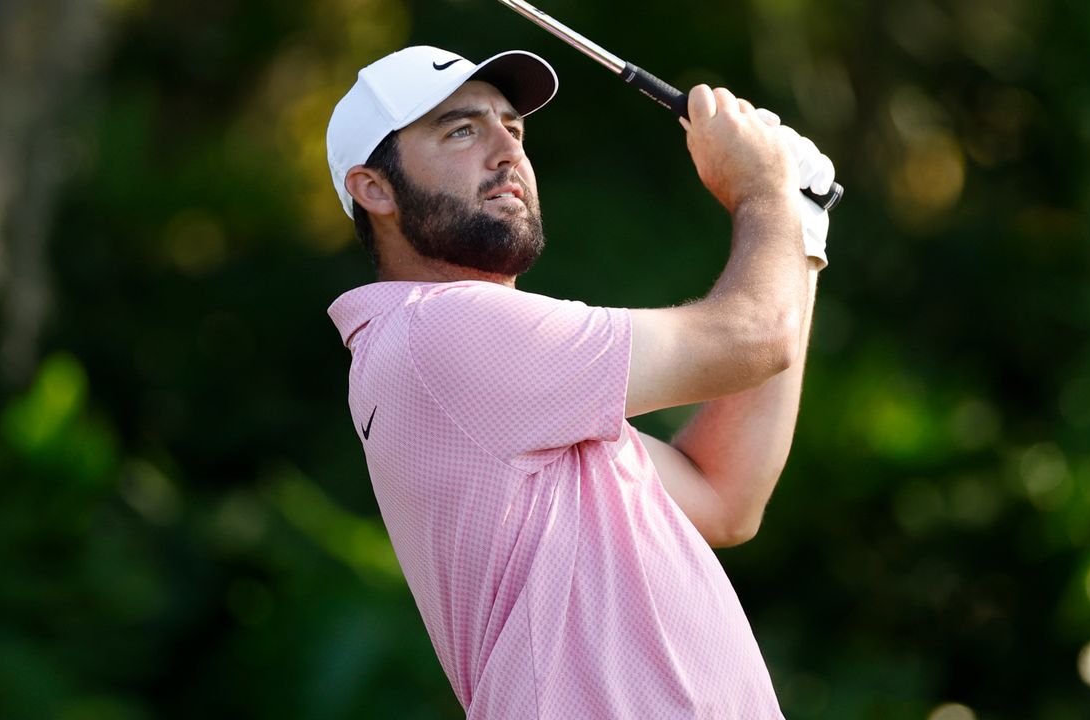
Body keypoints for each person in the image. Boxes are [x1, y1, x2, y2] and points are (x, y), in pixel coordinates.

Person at [325, 45, 834, 719]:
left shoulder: (507, 382)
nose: (508, 150)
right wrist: (762, 191)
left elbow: (724, 494)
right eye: (462, 130)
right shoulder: (441, 331)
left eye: (514, 127)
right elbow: (752, 337)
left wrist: (800, 230)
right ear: (375, 189)